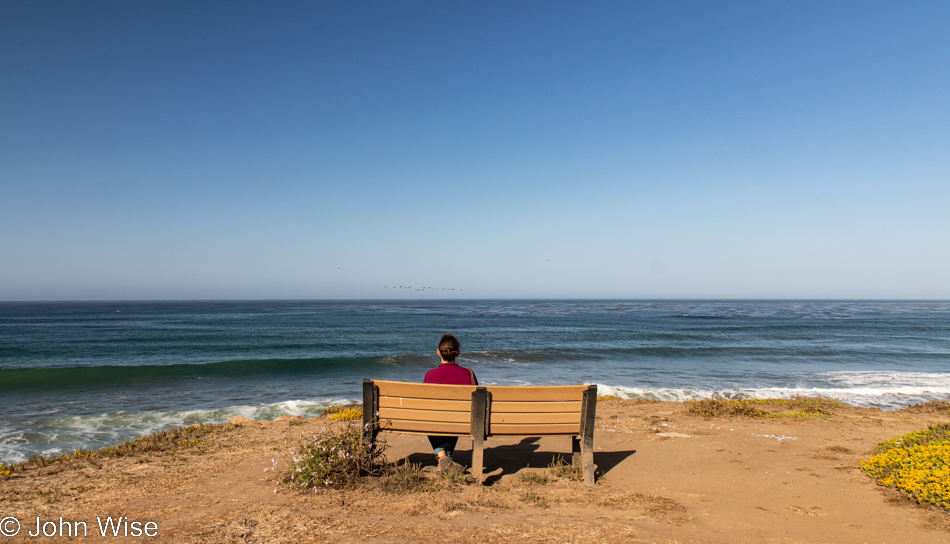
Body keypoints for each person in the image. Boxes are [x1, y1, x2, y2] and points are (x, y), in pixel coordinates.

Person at [424, 334, 476, 473]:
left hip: (437, 420)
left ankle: (442, 457)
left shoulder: (430, 375)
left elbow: (425, 403)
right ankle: (446, 459)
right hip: (462, 420)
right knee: (456, 413)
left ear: (438, 352)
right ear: (457, 353)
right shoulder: (468, 374)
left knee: (431, 415)